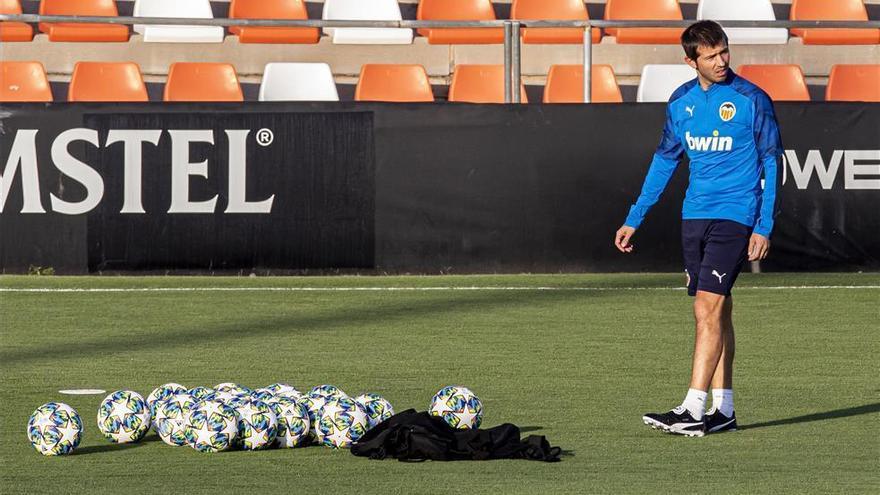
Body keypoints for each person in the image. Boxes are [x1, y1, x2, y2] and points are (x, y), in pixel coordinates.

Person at [613, 20, 783, 437]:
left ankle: (692, 408)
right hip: (695, 216)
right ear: (690, 61)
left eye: (724, 51)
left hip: (736, 215)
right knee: (718, 310)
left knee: (705, 308)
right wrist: (635, 216)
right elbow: (665, 160)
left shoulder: (751, 99)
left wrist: (764, 224)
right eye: (711, 56)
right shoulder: (680, 102)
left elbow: (772, 162)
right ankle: (723, 410)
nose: (722, 61)